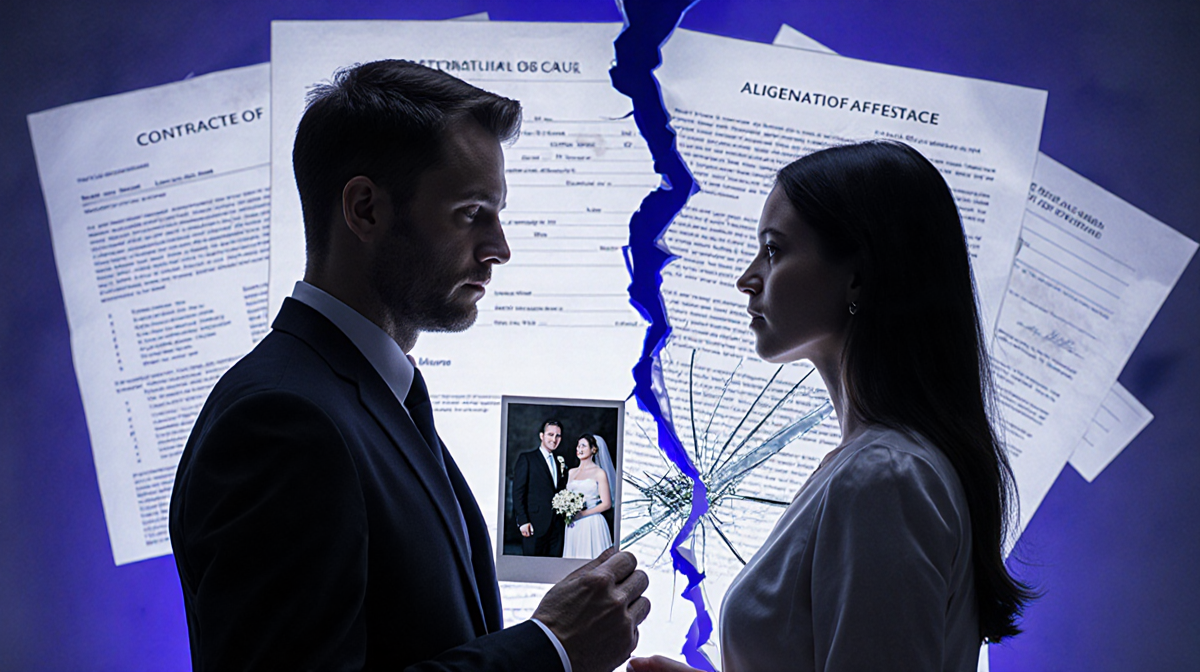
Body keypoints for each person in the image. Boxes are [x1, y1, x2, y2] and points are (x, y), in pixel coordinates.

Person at [168, 60, 650, 672]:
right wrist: (549, 649)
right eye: (471, 212)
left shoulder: (362, 398)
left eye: (497, 214)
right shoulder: (282, 423)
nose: (500, 248)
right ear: (365, 209)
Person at [629, 141, 1032, 672]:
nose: (747, 279)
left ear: (858, 276)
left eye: (774, 250)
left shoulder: (884, 477)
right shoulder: (877, 466)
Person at [512, 419, 568, 556]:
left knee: (554, 566)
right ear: (541, 436)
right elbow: (518, 492)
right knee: (532, 565)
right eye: (550, 435)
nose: (554, 439)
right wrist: (523, 521)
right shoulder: (527, 459)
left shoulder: (560, 461)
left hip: (557, 527)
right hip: (534, 525)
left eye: (558, 436)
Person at [562, 435, 615, 560]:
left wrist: (583, 514)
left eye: (583, 446)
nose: (579, 449)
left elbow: (606, 504)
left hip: (591, 522)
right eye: (578, 446)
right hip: (573, 524)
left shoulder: (599, 473)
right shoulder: (571, 472)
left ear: (593, 449)